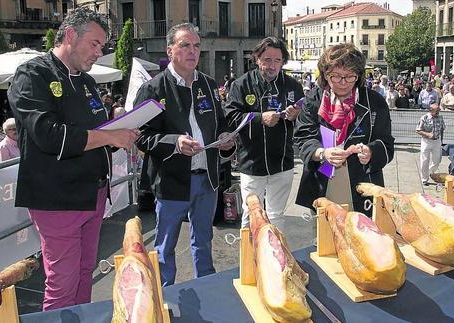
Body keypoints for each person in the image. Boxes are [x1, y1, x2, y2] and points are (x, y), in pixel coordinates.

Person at [7, 7, 140, 311]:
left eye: (102, 46)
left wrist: (123, 135)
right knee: (62, 281)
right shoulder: (32, 74)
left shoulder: (88, 82)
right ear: (69, 35)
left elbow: (100, 136)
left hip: (93, 192)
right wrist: (110, 137)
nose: (99, 52)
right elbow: (49, 135)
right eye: (94, 44)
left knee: (84, 271)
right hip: (56, 196)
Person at [134, 23, 235, 286]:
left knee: (204, 241)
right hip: (171, 181)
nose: (193, 51)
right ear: (170, 50)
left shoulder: (210, 85)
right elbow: (141, 136)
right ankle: (164, 297)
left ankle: (207, 288)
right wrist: (174, 143)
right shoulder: (153, 89)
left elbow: (220, 123)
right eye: (185, 45)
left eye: (197, 45)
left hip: (208, 179)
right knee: (165, 247)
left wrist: (225, 139)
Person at [293, 43, 394, 215]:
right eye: (335, 76)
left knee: (362, 235)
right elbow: (302, 138)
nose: (342, 83)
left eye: (349, 76)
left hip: (362, 182)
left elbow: (386, 143)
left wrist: (371, 151)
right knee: (325, 236)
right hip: (322, 180)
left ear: (359, 76)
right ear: (325, 74)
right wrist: (322, 153)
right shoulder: (312, 100)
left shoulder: (375, 101)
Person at [224, 37, 303, 229]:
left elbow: (305, 121)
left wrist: (295, 116)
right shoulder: (241, 85)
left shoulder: (293, 86)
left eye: (277, 60)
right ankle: (249, 258)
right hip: (251, 162)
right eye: (267, 59)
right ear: (257, 59)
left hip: (282, 161)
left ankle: (275, 258)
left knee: (276, 217)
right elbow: (231, 117)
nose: (272, 65)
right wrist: (260, 118)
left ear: (283, 61)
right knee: (251, 216)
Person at [416, 104, 445, 186]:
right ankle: (424, 179)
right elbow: (418, 130)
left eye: (439, 110)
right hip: (426, 141)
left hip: (437, 141)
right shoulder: (424, 118)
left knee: (437, 160)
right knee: (425, 160)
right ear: (431, 110)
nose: (438, 112)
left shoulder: (440, 117)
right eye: (437, 110)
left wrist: (441, 140)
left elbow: (442, 129)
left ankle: (430, 171)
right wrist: (427, 134)